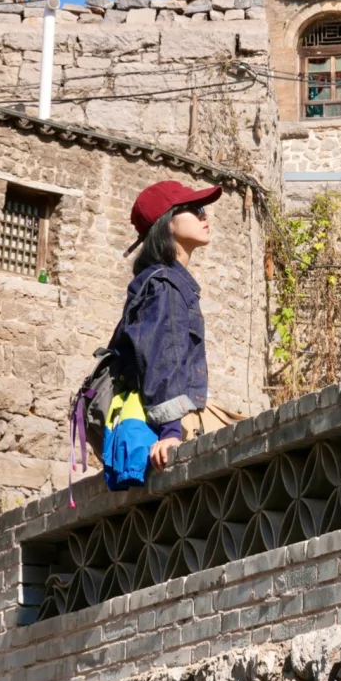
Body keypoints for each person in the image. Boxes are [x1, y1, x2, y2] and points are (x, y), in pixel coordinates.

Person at [109, 179, 241, 470]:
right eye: (194, 209)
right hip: (177, 424)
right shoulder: (165, 284)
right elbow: (160, 360)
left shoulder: (164, 281)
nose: (204, 216)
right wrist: (171, 432)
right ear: (168, 224)